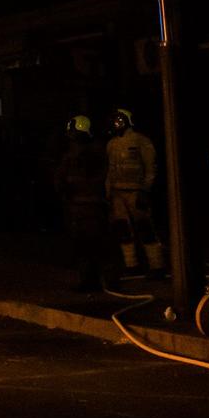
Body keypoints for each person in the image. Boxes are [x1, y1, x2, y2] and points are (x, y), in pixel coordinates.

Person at [105, 107, 163, 275]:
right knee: (123, 230)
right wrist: (108, 193)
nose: (116, 123)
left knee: (145, 228)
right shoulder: (112, 144)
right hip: (117, 194)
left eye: (119, 119)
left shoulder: (141, 141)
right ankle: (131, 265)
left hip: (136, 192)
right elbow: (110, 170)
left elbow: (150, 167)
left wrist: (145, 190)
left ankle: (157, 266)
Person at [55, 116, 108, 293]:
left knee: (84, 247)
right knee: (94, 246)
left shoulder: (70, 156)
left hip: (79, 207)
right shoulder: (100, 153)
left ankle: (89, 282)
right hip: (96, 207)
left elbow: (60, 182)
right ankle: (99, 280)